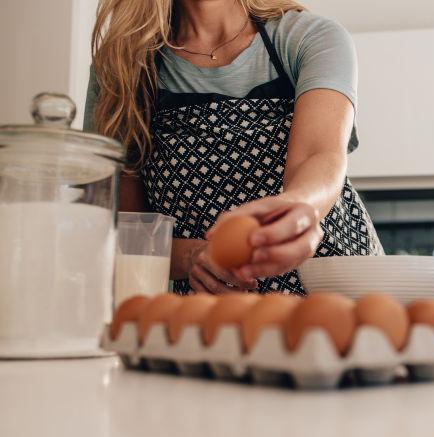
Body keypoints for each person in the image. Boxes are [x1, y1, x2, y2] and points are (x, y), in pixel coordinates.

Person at [85, 0, 382, 296]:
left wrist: (301, 208)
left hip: (336, 292)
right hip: (212, 314)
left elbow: (319, 154)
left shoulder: (308, 37)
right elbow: (124, 232)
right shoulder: (122, 68)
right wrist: (191, 257)